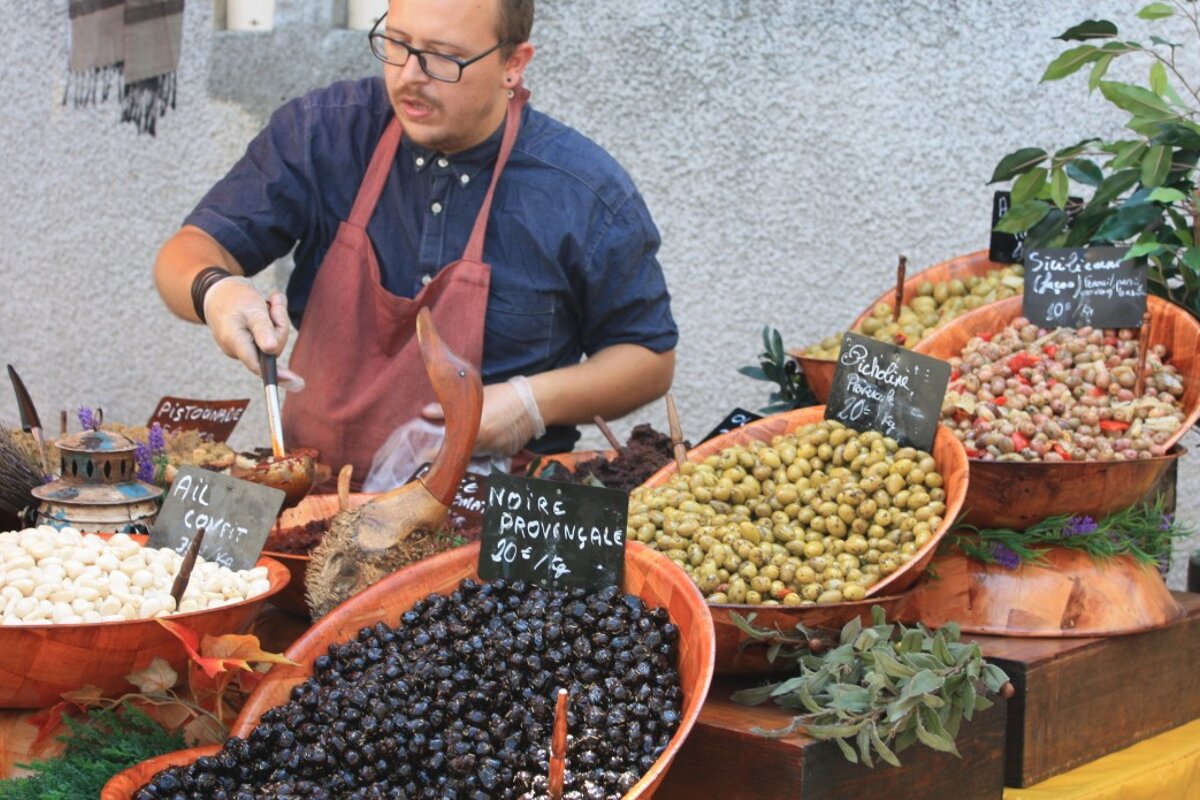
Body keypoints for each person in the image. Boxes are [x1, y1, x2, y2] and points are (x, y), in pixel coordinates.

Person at [153, 0, 677, 487]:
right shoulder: (325, 134)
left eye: (443, 59)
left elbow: (648, 357)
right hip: (313, 498)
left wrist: (529, 402)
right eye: (398, 44)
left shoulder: (581, 191)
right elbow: (188, 251)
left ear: (513, 63)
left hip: (489, 517)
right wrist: (216, 291)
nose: (408, 77)